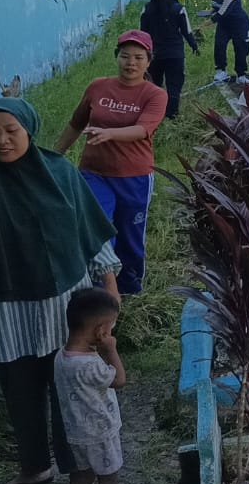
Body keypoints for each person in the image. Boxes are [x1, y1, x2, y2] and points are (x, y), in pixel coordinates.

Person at [0, 97, 120, 484]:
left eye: (11, 131)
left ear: (29, 130)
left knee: (74, 393)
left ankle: (79, 471)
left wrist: (110, 293)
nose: (2, 141)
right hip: (5, 315)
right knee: (20, 391)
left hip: (63, 310)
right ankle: (35, 467)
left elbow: (89, 234)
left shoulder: (61, 173)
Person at [55, 30, 166, 295]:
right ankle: (99, 289)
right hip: (93, 173)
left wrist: (109, 134)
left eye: (139, 57)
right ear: (117, 57)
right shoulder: (98, 87)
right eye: (125, 56)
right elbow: (76, 123)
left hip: (134, 176)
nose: (131, 63)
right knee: (97, 229)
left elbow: (142, 130)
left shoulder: (155, 95)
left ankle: (129, 286)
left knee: (129, 234)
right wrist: (54, 155)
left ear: (148, 62)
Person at [54, 288, 127, 484]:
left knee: (82, 475)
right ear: (101, 331)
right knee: (109, 478)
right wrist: (111, 350)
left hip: (76, 433)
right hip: (100, 433)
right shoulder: (90, 365)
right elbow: (119, 380)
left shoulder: (61, 356)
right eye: (111, 327)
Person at [139, 0, 199, 119]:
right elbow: (187, 31)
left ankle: (155, 112)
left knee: (154, 85)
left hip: (154, 54)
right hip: (175, 54)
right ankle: (172, 114)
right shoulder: (178, 9)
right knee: (174, 85)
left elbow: (142, 33)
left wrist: (142, 51)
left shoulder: (147, 9)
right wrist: (194, 45)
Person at [202, 0, 249, 84]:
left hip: (239, 24)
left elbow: (221, 14)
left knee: (241, 48)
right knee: (219, 45)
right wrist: (208, 12)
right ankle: (221, 71)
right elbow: (216, 6)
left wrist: (204, 25)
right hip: (224, 24)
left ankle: (241, 75)